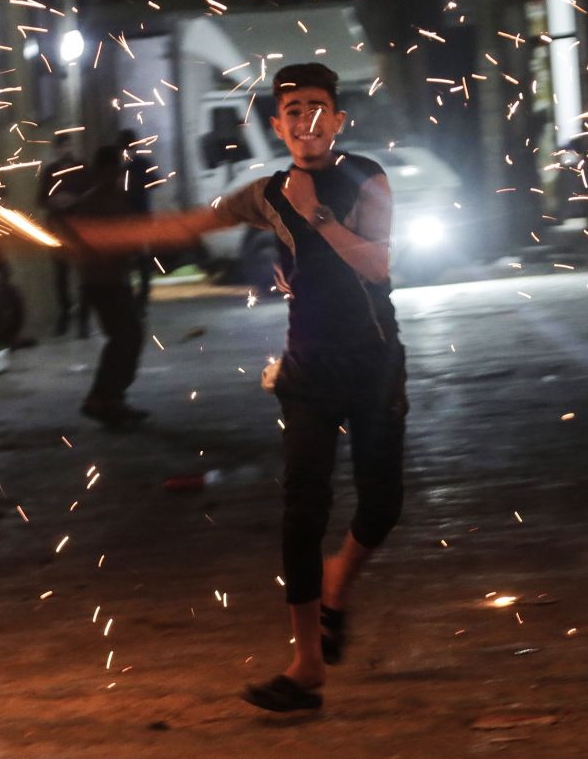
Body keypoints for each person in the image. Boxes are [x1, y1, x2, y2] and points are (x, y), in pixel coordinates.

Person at [64, 63, 407, 713]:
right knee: (301, 512)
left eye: (319, 108)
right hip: (306, 369)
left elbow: (379, 262)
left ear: (336, 120)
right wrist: (105, 234)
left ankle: (338, 582)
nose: (307, 119)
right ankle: (306, 665)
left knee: (382, 505)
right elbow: (190, 225)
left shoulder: (366, 176)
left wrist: (322, 217)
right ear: (279, 125)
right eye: (294, 109)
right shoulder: (265, 193)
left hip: (375, 363)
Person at [69, 145, 148, 424]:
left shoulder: (115, 199)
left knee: (128, 337)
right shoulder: (93, 203)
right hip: (103, 283)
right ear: (103, 171)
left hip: (114, 280)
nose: (116, 174)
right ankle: (103, 397)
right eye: (112, 169)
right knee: (124, 338)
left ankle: (109, 397)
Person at [41, 134, 87, 338]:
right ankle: (65, 313)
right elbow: (41, 198)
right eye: (62, 147)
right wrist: (55, 202)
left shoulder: (81, 169)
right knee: (60, 274)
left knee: (83, 274)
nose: (66, 150)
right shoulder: (50, 172)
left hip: (78, 228)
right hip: (58, 228)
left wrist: (73, 200)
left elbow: (90, 192)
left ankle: (83, 319)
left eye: (68, 146)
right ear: (57, 150)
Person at [117, 129, 154, 311]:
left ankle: (136, 297)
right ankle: (141, 298)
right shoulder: (140, 163)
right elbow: (156, 182)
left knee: (132, 260)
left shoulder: (124, 167)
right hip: (139, 218)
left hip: (130, 219)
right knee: (140, 260)